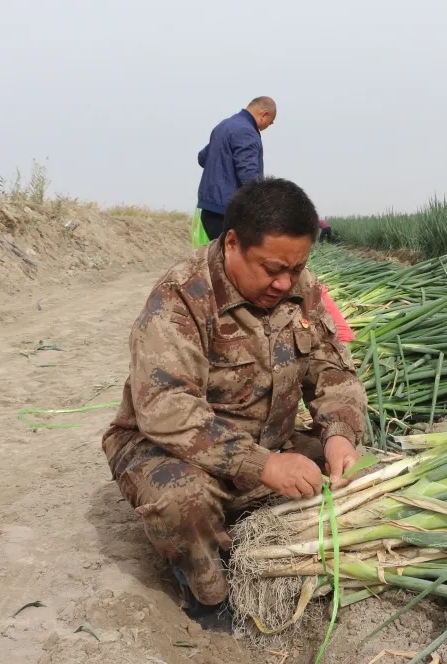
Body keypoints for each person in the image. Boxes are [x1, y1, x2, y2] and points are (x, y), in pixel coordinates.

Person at [103, 177, 367, 631]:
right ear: (231, 243)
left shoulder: (301, 288)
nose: (284, 282)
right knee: (181, 501)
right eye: (271, 269)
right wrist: (263, 465)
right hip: (170, 448)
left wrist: (340, 436)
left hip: (267, 442)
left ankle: (248, 521)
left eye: (297, 266)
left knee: (361, 472)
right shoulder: (181, 296)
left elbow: (332, 370)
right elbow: (166, 407)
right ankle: (208, 598)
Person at [193, 96, 277, 242]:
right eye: (270, 123)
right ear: (264, 115)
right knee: (235, 258)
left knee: (222, 256)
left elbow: (203, 157)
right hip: (228, 211)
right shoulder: (246, 132)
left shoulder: (224, 126)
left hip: (209, 208)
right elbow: (249, 174)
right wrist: (264, 206)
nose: (267, 127)